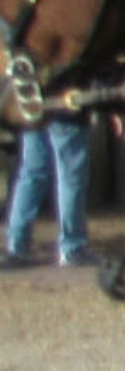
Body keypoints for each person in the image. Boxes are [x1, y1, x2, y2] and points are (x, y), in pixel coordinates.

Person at [6, 110, 94, 268]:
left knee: (32, 173)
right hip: (67, 109)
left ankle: (17, 243)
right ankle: (72, 248)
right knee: (70, 177)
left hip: (32, 108)